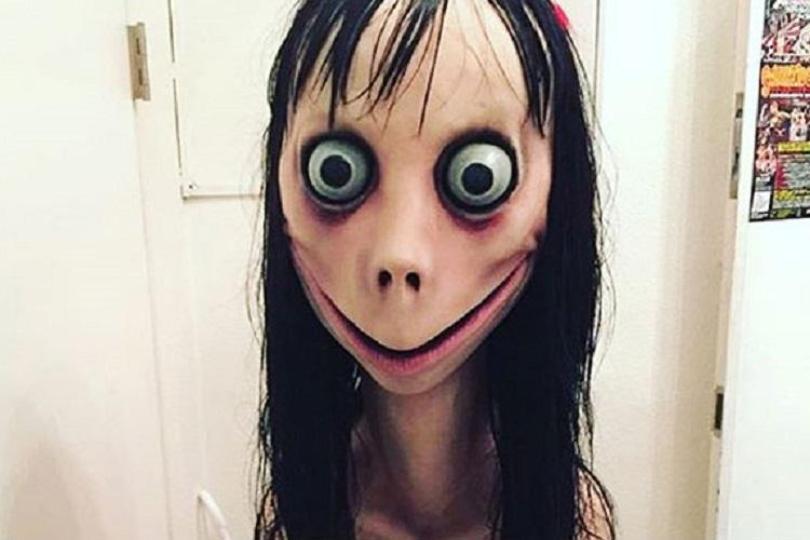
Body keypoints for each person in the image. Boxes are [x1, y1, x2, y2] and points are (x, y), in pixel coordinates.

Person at [255, 1, 615, 538]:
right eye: (335, 171)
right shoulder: (299, 511)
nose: (400, 255)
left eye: (478, 177)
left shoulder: (573, 520)